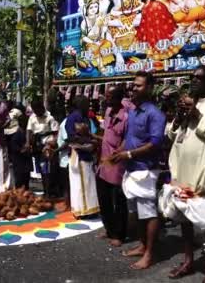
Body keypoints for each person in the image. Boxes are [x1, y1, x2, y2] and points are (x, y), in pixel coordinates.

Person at [160, 66, 205, 283]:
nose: (194, 81)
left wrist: (198, 116)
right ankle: (188, 261)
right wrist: (180, 118)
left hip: (202, 175)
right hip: (182, 174)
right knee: (184, 221)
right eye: (192, 77)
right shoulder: (186, 102)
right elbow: (171, 134)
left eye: (200, 78)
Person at [109, 71, 166, 270]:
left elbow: (155, 144)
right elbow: (130, 136)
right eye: (133, 85)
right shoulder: (133, 111)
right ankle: (142, 246)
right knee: (137, 212)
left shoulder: (155, 114)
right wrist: (121, 149)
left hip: (146, 170)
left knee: (149, 213)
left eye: (139, 85)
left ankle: (150, 254)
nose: (134, 88)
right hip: (130, 170)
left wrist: (130, 154)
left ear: (149, 88)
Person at [94, 85, 129, 247]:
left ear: (119, 98)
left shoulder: (126, 116)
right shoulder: (107, 112)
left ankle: (119, 234)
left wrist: (117, 154)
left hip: (117, 163)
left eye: (110, 97)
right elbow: (104, 135)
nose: (106, 99)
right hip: (103, 162)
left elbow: (127, 141)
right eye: (106, 96)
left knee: (118, 201)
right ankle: (109, 229)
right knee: (103, 199)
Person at [65, 95, 100, 218]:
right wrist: (89, 141)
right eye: (86, 103)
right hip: (79, 154)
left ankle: (90, 209)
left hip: (87, 153)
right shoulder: (73, 118)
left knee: (88, 181)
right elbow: (71, 137)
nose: (88, 105)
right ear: (80, 105)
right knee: (81, 183)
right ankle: (83, 210)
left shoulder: (85, 117)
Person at [26, 100, 59, 197]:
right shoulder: (32, 117)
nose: (36, 112)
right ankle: (45, 189)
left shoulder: (50, 117)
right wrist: (28, 143)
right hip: (37, 146)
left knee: (47, 169)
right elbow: (28, 130)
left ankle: (49, 192)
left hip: (47, 146)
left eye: (37, 110)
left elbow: (56, 132)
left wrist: (52, 143)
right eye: (34, 111)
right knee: (40, 169)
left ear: (42, 108)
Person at [9, 114, 32, 189]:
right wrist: (23, 150)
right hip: (19, 162)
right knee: (19, 182)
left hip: (26, 162)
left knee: (26, 182)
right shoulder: (16, 135)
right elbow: (14, 148)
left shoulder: (27, 133)